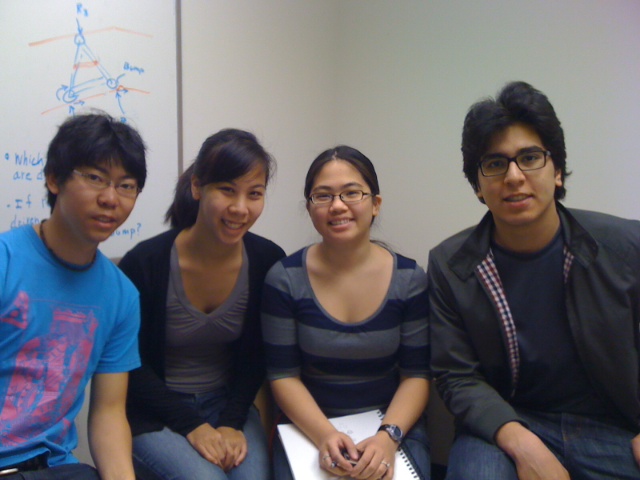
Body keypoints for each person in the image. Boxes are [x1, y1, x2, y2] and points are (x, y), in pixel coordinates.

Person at [427, 81, 640, 480]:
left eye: (529, 158)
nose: (514, 176)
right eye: (495, 164)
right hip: (505, 423)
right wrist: (520, 441)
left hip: (612, 426)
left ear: (556, 171)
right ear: (478, 186)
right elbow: (456, 375)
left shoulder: (626, 246)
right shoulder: (450, 265)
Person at [118, 128, 285, 480]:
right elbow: (130, 364)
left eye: (254, 194)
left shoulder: (267, 260)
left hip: (227, 406)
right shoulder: (145, 263)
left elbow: (257, 355)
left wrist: (231, 422)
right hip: (155, 412)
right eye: (227, 190)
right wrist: (192, 425)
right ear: (197, 187)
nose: (240, 208)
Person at [262, 145, 431, 480]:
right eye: (322, 196)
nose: (337, 205)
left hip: (390, 428)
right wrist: (325, 434)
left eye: (352, 193)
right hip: (309, 428)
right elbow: (283, 376)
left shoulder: (409, 279)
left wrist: (387, 437)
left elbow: (416, 376)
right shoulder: (284, 279)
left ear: (375, 204)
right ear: (310, 208)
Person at [0, 113, 147, 479]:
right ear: (54, 179)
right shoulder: (6, 262)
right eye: (95, 178)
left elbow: (109, 413)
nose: (110, 198)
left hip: (55, 468)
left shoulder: (121, 296)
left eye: (126, 185)